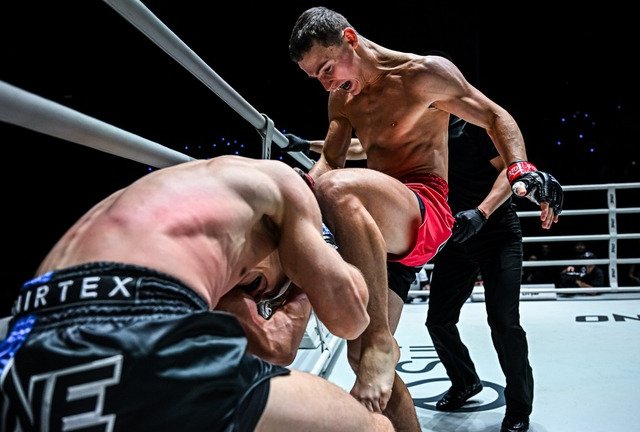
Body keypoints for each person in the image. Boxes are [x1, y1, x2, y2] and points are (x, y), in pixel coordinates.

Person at [288, 6, 563, 430]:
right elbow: (332, 160)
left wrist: (520, 168)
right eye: (315, 78)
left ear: (350, 39)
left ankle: (389, 344)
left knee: (337, 191)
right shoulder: (342, 96)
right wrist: (296, 185)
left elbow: (495, 116)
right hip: (378, 227)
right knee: (361, 357)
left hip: (429, 210)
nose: (325, 83)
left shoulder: (423, 75)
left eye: (326, 69)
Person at [0, 155, 395, 432]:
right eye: (264, 292)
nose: (257, 296)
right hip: (139, 330)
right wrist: (315, 270)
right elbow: (350, 319)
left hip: (22, 338)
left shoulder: (173, 203)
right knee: (374, 426)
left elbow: (273, 349)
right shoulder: (284, 183)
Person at [425, 120, 534, 432]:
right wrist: (312, 146)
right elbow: (368, 145)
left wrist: (482, 212)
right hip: (459, 237)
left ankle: (519, 407)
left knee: (504, 323)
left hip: (497, 234)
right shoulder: (423, 129)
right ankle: (465, 382)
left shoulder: (474, 126)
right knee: (438, 320)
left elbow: (510, 170)